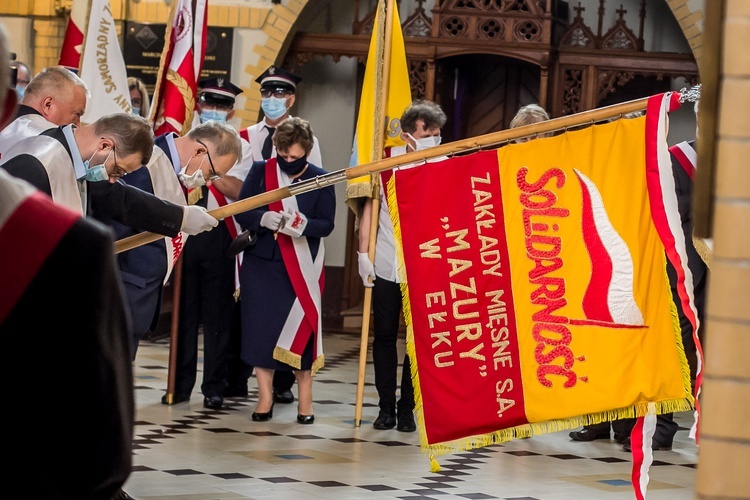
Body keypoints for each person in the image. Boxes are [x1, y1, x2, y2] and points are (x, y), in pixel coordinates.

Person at [0, 24, 133, 498]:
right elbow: (102, 448)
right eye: (74, 119)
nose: (75, 129)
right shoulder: (70, 246)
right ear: (7, 107)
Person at [230, 65, 323, 404]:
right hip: (260, 249)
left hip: (295, 253)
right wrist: (262, 218)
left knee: (292, 322)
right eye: (267, 93)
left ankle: (288, 390)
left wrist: (300, 222)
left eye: (280, 94)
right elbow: (241, 197)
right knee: (258, 325)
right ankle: (258, 392)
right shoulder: (248, 141)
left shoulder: (313, 146)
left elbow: (316, 196)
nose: (272, 100)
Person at [234, 116, 335, 424]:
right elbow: (243, 209)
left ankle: (306, 399)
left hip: (300, 269)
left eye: (296, 156)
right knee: (259, 334)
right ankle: (264, 397)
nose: (289, 161)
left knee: (300, 337)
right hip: (262, 266)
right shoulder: (260, 171)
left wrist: (304, 225)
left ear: (307, 150)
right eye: (284, 155)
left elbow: (327, 224)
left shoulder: (321, 178)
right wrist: (261, 219)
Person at [357, 100, 447, 432]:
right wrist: (361, 254)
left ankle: (406, 407)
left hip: (424, 267)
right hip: (384, 261)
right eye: (429, 133)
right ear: (410, 134)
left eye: (438, 134)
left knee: (416, 340)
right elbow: (369, 209)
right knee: (383, 336)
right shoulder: (385, 162)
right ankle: (385, 408)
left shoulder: (443, 164)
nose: (435, 139)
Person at [0, 112, 218, 237]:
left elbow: (121, 199)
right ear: (104, 145)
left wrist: (181, 216)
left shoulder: (76, 159)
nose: (113, 179)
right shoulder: (37, 164)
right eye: (118, 171)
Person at [159, 118, 244, 410]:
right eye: (210, 103)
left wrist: (216, 175)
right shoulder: (179, 152)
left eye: (222, 105)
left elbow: (241, 191)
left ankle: (214, 387)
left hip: (217, 234)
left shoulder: (236, 144)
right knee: (183, 315)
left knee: (217, 318)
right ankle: (179, 384)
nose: (214, 109)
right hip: (182, 234)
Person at [0, 65, 88, 157]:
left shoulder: (4, 122)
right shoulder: (52, 146)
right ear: (48, 105)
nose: (78, 126)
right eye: (77, 114)